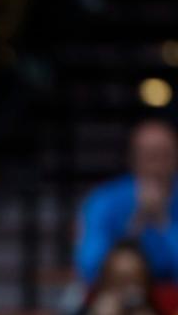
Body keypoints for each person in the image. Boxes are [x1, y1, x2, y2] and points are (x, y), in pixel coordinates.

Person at [75, 119, 178, 284]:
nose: (157, 167)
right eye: (150, 157)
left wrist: (163, 223)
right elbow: (90, 268)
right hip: (119, 298)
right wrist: (136, 223)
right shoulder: (105, 200)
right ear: (133, 159)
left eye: (165, 156)